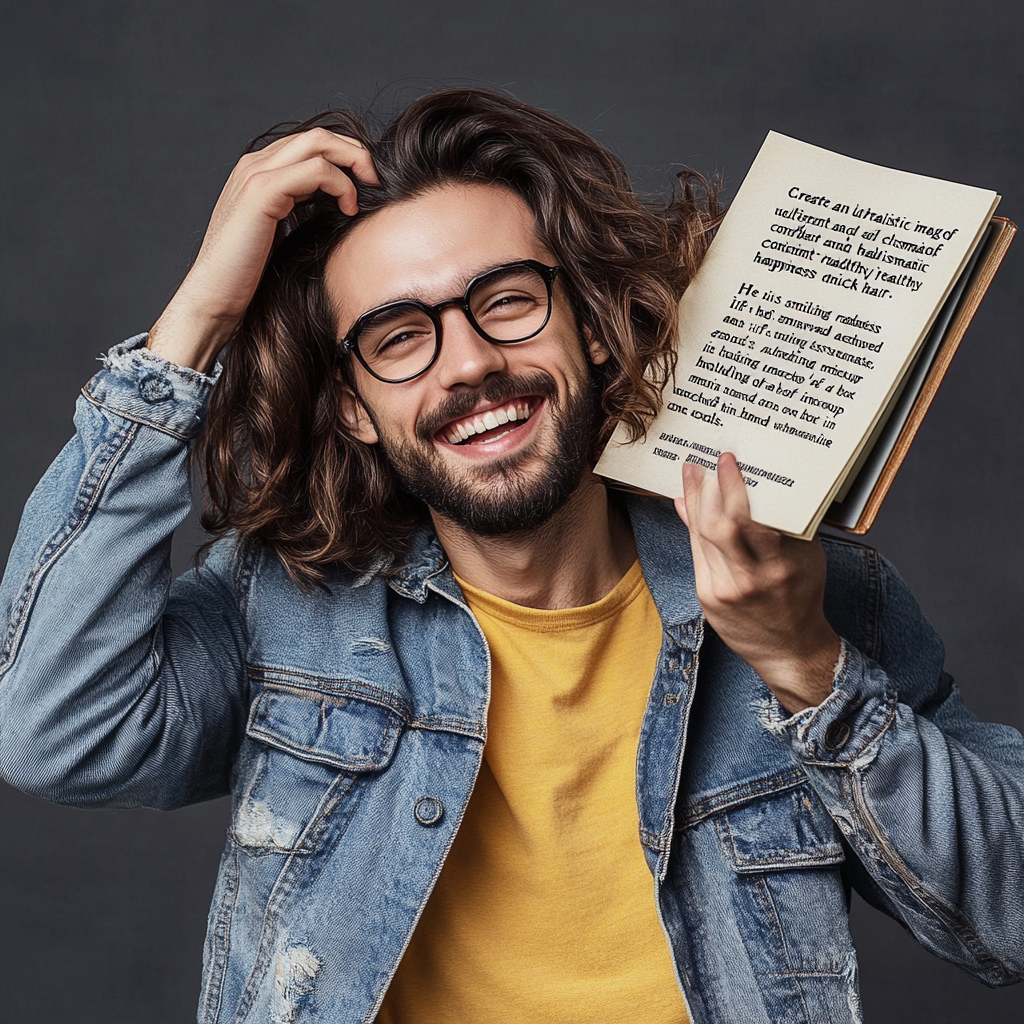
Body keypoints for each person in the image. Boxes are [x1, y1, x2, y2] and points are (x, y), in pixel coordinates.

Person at [0, 88, 1021, 1024]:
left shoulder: (805, 587)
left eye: (508, 300)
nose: (472, 362)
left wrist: (807, 667)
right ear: (354, 405)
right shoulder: (288, 603)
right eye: (399, 337)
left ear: (586, 324)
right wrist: (198, 321)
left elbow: (1008, 918)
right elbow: (54, 729)